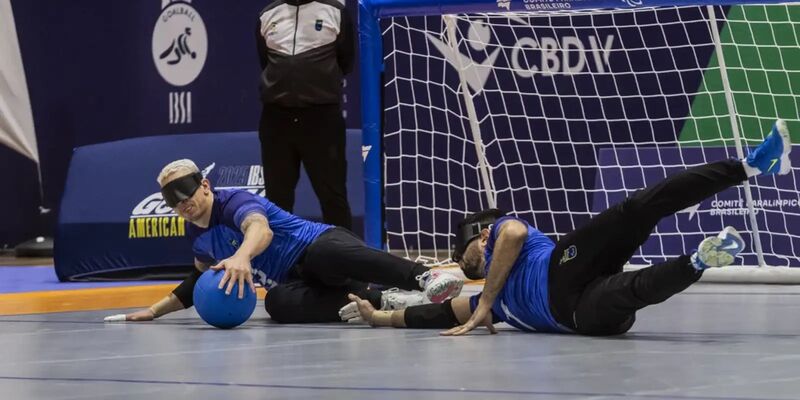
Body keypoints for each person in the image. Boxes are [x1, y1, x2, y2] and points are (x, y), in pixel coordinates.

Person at [340, 120, 793, 336]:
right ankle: (698, 261)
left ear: (480, 241)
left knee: (638, 208)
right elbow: (430, 316)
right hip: (576, 317)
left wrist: (487, 303)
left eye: (470, 252)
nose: (470, 258)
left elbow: (513, 235)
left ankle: (748, 167)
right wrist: (378, 316)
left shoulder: (501, 238)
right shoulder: (483, 304)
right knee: (629, 293)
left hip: (562, 267)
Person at [105, 159, 463, 324]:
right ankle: (383, 299)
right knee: (277, 304)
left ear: (205, 186)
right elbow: (196, 279)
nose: (184, 204)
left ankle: (423, 277)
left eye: (187, 193)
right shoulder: (200, 237)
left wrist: (243, 257)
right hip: (302, 283)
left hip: (323, 250)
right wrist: (153, 311)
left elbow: (260, 228)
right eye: (175, 200)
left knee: (324, 253)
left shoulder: (233, 202)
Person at [255, 0, 355, 229]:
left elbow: (346, 62)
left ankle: (344, 261)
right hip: (276, 120)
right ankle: (281, 262)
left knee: (333, 198)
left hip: (322, 120)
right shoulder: (267, 15)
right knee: (277, 201)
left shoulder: (336, 12)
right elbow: (265, 62)